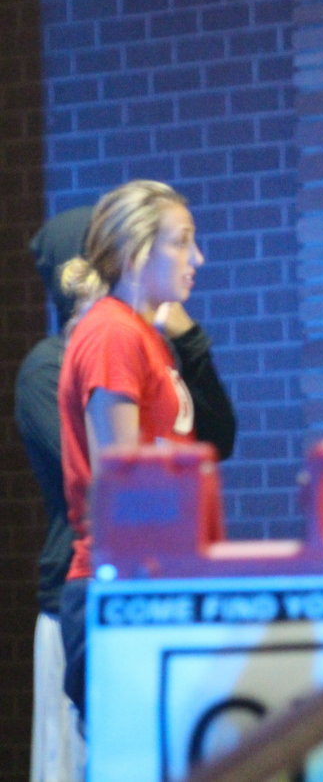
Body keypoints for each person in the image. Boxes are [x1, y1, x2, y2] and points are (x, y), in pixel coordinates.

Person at [52, 181, 233, 724]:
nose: (196, 257)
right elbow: (123, 487)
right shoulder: (112, 334)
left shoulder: (144, 334)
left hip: (151, 584)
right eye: (182, 242)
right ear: (135, 253)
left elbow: (216, 438)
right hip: (125, 589)